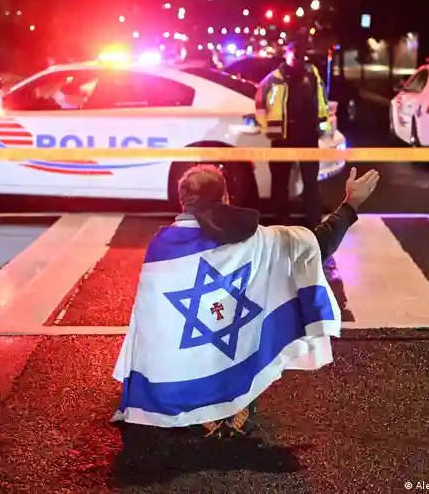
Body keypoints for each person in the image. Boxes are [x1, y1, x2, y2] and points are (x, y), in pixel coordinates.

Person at [112, 163, 379, 440]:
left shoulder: (162, 247)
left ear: (182, 202)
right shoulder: (258, 239)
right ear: (226, 197)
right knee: (245, 326)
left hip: (182, 367)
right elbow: (317, 243)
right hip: (235, 341)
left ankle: (197, 409)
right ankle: (234, 406)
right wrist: (350, 204)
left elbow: (150, 321)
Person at [255, 40, 332, 229]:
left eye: (300, 55)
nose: (297, 59)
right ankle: (280, 222)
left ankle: (313, 222)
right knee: (280, 183)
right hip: (282, 138)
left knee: (310, 182)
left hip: (308, 136)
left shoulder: (312, 74)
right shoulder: (275, 78)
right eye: (294, 54)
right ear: (286, 55)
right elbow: (259, 104)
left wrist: (323, 126)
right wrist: (267, 128)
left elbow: (322, 101)